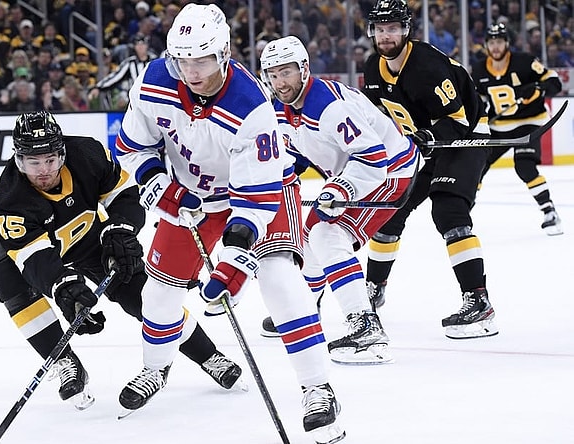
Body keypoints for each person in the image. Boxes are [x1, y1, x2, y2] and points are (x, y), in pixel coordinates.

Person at [114, 4, 344, 441]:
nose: (191, 71)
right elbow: (132, 147)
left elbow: (256, 197)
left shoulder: (250, 104)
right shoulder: (152, 82)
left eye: (201, 59)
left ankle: (318, 387)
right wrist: (159, 183)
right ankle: (154, 369)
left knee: (279, 278)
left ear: (222, 53)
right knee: (158, 293)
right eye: (182, 59)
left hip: (259, 194)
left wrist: (235, 262)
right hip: (190, 197)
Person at [0, 110, 244, 411]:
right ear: (19, 160)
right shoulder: (9, 200)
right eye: (33, 162)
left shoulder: (86, 154)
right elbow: (35, 258)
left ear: (63, 152)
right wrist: (63, 287)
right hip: (28, 256)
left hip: (88, 241)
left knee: (145, 298)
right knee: (8, 282)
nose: (44, 170)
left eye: (51, 159)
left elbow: (126, 195)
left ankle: (208, 355)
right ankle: (64, 360)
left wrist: (120, 227)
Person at [259, 36, 422, 364]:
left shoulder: (330, 106)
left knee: (326, 234)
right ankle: (306, 309)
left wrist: (340, 189)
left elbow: (373, 158)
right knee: (309, 238)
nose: (280, 82)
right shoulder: (279, 109)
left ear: (304, 69)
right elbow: (295, 154)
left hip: (391, 171)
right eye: (273, 74)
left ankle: (366, 327)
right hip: (355, 170)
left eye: (286, 72)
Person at [361, 0, 497, 340]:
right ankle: (373, 290)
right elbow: (377, 119)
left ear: (406, 29)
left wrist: (425, 137)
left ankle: (479, 302)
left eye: (393, 27)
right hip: (425, 144)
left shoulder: (427, 65)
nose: (386, 35)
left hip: (464, 136)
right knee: (389, 211)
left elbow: (456, 121)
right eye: (380, 28)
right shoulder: (373, 67)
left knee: (449, 210)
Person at [470, 22, 563, 236]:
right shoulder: (479, 69)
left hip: (529, 123)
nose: (495, 47)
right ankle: (463, 210)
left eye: (499, 42)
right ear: (486, 44)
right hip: (498, 127)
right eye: (491, 42)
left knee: (524, 166)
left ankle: (549, 211)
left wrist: (539, 88)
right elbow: (476, 98)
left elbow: (554, 81)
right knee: (475, 165)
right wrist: (480, 109)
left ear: (507, 43)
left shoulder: (525, 62)